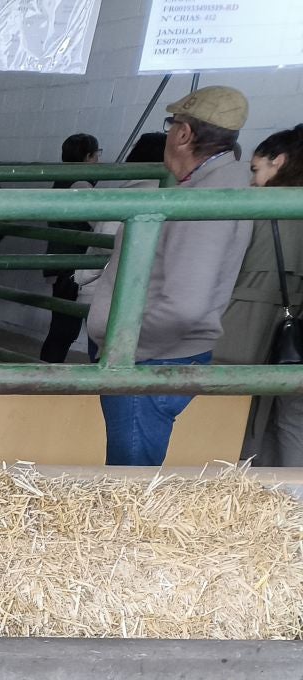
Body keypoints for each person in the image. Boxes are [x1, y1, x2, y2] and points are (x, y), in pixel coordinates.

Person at [86, 87, 253, 467]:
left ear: (184, 135)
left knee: (132, 480)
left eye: (171, 125)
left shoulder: (205, 198)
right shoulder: (216, 185)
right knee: (131, 472)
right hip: (158, 355)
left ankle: (132, 529)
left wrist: (123, 349)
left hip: (149, 362)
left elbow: (185, 306)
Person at [215, 125, 303, 465]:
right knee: (290, 416)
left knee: (234, 407)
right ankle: (292, 500)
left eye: (256, 169)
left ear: (278, 161)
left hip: (243, 317)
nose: (252, 179)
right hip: (296, 320)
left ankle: (234, 488)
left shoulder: (255, 205)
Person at [39, 132, 101, 364]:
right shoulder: (81, 184)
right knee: (67, 329)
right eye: (96, 155)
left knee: (62, 327)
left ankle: (45, 374)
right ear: (87, 156)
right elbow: (97, 223)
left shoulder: (61, 180)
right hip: (74, 266)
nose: (98, 160)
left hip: (58, 262)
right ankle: (47, 377)